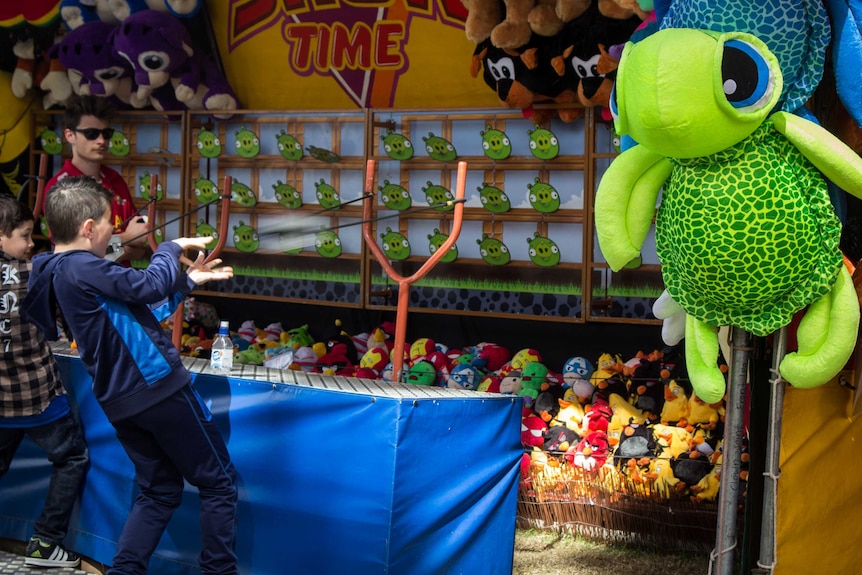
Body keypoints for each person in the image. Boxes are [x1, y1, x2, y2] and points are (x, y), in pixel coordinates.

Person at [23, 176, 238, 575]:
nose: (115, 231)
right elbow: (147, 284)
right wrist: (171, 248)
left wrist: (188, 280)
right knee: (218, 482)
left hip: (122, 403)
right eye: (109, 223)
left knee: (159, 491)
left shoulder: (58, 271)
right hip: (158, 390)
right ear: (88, 229)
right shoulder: (82, 266)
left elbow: (135, 318)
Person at [0, 195, 89, 568]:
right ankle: (44, 543)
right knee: (72, 458)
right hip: (38, 398)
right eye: (23, 235)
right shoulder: (38, 271)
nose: (31, 243)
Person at [43, 94, 150, 263]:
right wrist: (126, 239)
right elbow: (71, 253)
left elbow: (139, 243)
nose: (101, 141)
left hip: (121, 282)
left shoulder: (115, 179)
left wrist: (128, 244)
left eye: (106, 133)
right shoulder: (60, 187)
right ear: (70, 135)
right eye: (91, 134)